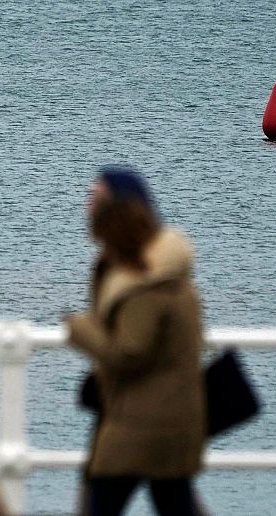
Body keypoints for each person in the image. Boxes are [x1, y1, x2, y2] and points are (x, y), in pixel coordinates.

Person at [64, 168, 205, 516]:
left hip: (140, 425)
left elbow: (130, 352)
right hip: (154, 419)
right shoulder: (139, 269)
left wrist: (81, 331)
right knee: (176, 503)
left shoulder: (144, 280)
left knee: (101, 504)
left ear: (119, 212)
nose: (87, 207)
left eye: (95, 199)